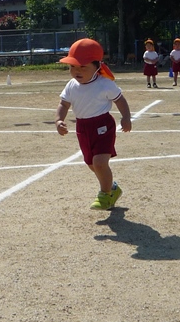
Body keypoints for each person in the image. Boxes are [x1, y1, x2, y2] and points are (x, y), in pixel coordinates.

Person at [55, 38, 132, 210]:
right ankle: (112, 188)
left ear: (97, 66)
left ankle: (105, 195)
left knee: (99, 162)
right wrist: (59, 120)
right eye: (72, 67)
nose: (77, 71)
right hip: (82, 128)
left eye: (83, 67)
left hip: (102, 126)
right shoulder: (71, 85)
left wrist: (126, 117)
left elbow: (120, 100)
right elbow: (64, 104)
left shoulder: (105, 84)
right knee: (92, 164)